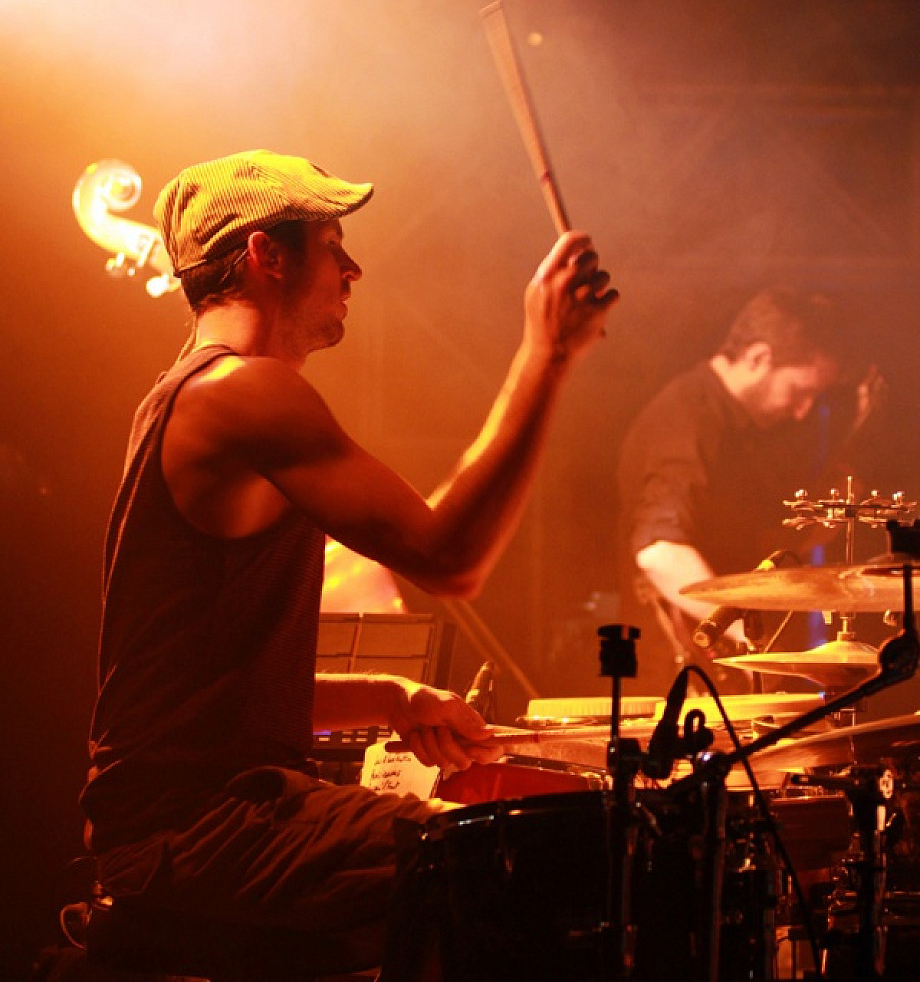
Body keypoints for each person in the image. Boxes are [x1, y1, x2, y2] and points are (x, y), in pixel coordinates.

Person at [79, 148, 616, 974]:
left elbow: (199, 695)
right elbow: (451, 559)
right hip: (201, 830)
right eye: (333, 245)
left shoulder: (179, 396)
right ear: (267, 255)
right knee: (523, 868)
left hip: (191, 822)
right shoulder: (242, 394)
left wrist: (389, 696)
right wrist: (546, 354)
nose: (353, 269)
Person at [616, 288, 845, 697]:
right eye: (799, 391)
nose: (802, 411)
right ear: (758, 358)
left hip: (713, 675)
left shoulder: (741, 429)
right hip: (680, 683)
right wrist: (751, 639)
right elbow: (660, 552)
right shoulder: (688, 419)